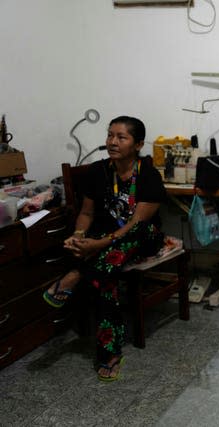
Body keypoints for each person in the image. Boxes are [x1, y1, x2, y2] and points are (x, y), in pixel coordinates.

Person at [43, 116, 166, 382]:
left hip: (141, 238)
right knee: (105, 276)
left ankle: (75, 276)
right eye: (110, 135)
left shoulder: (149, 175)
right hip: (106, 247)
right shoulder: (97, 172)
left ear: (138, 144)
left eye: (121, 137)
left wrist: (96, 244)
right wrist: (78, 236)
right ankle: (109, 353)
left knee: (134, 234)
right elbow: (86, 213)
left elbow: (136, 222)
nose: (112, 142)